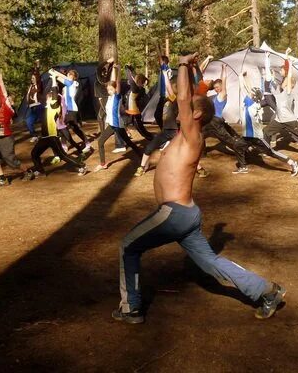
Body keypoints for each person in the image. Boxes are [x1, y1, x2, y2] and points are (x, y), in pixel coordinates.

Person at [115, 54, 286, 324]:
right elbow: (190, 95)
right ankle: (267, 291)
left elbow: (185, 99)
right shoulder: (187, 134)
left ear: (194, 114)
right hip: (186, 214)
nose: (180, 107)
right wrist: (193, 69)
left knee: (128, 246)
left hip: (173, 214)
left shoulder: (192, 135)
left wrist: (182, 64)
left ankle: (130, 308)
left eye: (188, 107)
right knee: (211, 263)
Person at [239, 69, 298, 176]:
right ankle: (243, 166)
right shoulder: (253, 102)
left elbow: (244, 88)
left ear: (253, 97)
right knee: (238, 145)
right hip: (248, 135)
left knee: (270, 152)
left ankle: (292, 163)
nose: (249, 94)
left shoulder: (251, 104)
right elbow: (248, 90)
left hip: (257, 136)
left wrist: (242, 77)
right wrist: (246, 77)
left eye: (251, 94)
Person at [93, 64, 143, 173]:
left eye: (111, 89)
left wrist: (119, 70)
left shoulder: (116, 96)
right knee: (100, 142)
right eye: (108, 89)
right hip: (112, 125)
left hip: (117, 125)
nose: (109, 91)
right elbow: (113, 81)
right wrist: (113, 70)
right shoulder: (111, 97)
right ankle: (103, 164)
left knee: (129, 143)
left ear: (115, 89)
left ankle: (143, 157)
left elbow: (117, 82)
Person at [201, 64, 250, 174]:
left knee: (231, 142)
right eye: (215, 88)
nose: (217, 89)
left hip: (216, 123)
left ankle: (244, 160)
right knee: (199, 134)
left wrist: (223, 69)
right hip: (211, 122)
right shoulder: (214, 96)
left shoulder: (222, 94)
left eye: (218, 87)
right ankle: (201, 152)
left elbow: (224, 80)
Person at [28, 89, 87, 178]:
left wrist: (54, 79)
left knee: (63, 155)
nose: (47, 99)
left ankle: (82, 166)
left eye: (49, 98)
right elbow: (34, 104)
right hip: (44, 138)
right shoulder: (44, 109)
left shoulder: (54, 108)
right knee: (34, 154)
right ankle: (40, 171)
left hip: (52, 137)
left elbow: (55, 94)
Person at [0, 71, 24, 184]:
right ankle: (2, 177)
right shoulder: (2, 107)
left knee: (11, 161)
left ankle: (27, 171)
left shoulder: (8, 109)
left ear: (12, 103)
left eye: (9, 99)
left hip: (6, 138)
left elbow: (2, 95)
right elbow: (2, 96)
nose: (7, 98)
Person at [48, 68, 91, 153]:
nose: (68, 75)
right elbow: (59, 78)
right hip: (65, 110)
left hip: (72, 110)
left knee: (75, 128)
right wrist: (54, 75)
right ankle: (64, 146)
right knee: (62, 127)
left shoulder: (73, 83)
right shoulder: (67, 85)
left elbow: (61, 77)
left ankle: (87, 143)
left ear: (74, 77)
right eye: (68, 74)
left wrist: (54, 72)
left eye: (71, 75)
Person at [135, 94, 179, 177]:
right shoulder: (166, 101)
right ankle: (142, 167)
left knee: (182, 151)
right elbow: (160, 114)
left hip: (175, 132)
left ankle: (199, 168)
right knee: (149, 148)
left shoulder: (176, 101)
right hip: (165, 131)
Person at [124, 66, 153, 141]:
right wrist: (132, 69)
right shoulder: (139, 88)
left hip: (133, 111)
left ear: (139, 81)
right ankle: (149, 136)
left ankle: (151, 137)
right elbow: (134, 78)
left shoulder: (136, 89)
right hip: (132, 111)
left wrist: (127, 69)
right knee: (137, 126)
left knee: (139, 127)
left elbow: (131, 79)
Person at [153, 52, 174, 130]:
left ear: (164, 62)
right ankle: (164, 129)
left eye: (160, 61)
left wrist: (157, 47)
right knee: (158, 115)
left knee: (165, 115)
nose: (159, 63)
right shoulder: (164, 70)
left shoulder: (166, 69)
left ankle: (166, 130)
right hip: (163, 96)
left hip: (166, 96)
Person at [25, 63, 44, 142]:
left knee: (44, 121)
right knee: (28, 122)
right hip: (32, 108)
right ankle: (34, 135)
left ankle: (49, 135)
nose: (32, 79)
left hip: (38, 107)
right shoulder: (31, 86)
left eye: (33, 78)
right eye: (31, 78)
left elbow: (38, 78)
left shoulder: (39, 86)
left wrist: (37, 68)